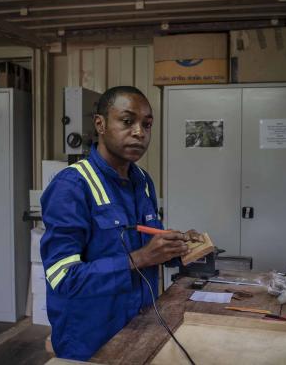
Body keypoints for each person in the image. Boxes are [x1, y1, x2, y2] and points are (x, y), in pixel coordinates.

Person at [40, 86, 190, 361]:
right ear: (100, 124)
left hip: (139, 326)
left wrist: (175, 250)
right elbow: (63, 278)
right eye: (127, 121)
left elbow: (147, 249)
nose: (139, 132)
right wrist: (140, 257)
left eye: (147, 124)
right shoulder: (72, 186)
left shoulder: (143, 181)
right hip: (89, 340)